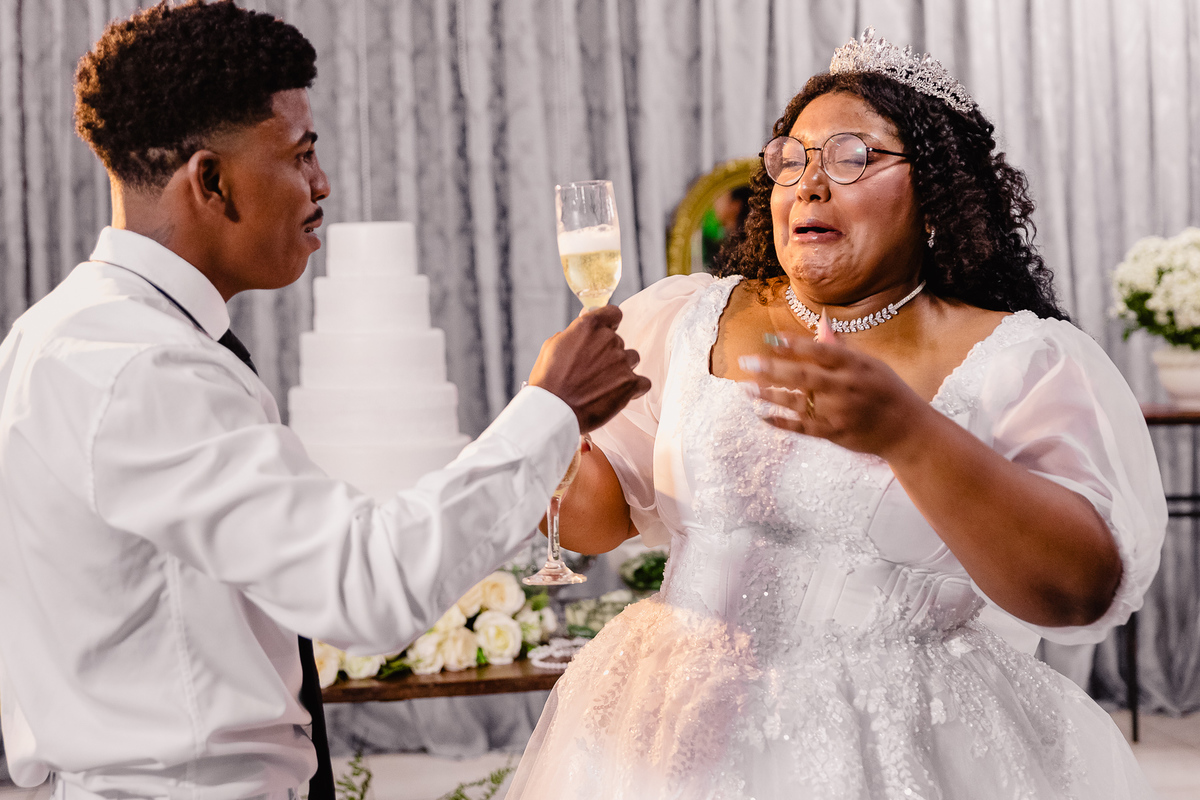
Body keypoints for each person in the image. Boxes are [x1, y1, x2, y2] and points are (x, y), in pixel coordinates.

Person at [0, 2, 649, 799]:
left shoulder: (79, 333)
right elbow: (363, 586)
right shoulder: (136, 367)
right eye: (301, 155)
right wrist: (550, 409)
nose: (322, 183)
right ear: (211, 181)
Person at [507, 28, 1165, 799]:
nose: (809, 185)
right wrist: (554, 419)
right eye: (791, 158)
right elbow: (597, 523)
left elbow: (1076, 592)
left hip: (901, 741)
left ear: (935, 197)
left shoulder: (1020, 361)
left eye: (851, 158)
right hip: (659, 721)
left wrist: (906, 434)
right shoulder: (686, 319)